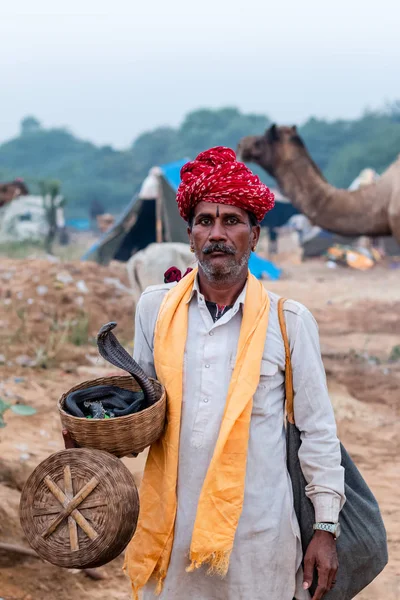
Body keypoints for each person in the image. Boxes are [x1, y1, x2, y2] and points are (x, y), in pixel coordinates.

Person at [108, 147, 346, 600]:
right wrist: (98, 433)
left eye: (232, 221)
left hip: (259, 542)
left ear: (255, 235)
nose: (217, 234)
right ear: (191, 235)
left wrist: (325, 529)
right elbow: (141, 410)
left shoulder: (288, 320)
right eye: (205, 221)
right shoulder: (155, 309)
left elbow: (318, 432)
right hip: (172, 536)